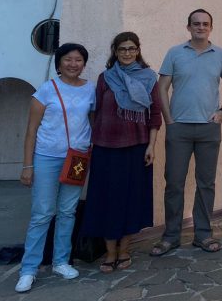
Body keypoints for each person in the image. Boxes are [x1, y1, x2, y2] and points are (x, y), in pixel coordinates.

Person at [150, 9, 222, 256]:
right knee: (174, 183)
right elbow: (162, 87)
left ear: (211, 28)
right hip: (179, 128)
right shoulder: (174, 53)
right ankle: (171, 237)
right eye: (196, 24)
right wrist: (169, 120)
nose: (201, 27)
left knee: (206, 184)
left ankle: (203, 235)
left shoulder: (220, 54)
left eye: (205, 24)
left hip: (209, 128)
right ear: (188, 27)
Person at [16, 43, 95, 293]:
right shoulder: (46, 90)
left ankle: (61, 261)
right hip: (47, 157)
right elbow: (31, 131)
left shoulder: (90, 90)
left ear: (84, 64)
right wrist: (28, 165)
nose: (73, 64)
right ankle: (29, 269)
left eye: (78, 60)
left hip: (77, 159)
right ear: (59, 63)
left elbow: (93, 123)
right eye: (68, 59)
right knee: (42, 213)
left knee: (68, 211)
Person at [82, 32, 163, 272]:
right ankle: (110, 253)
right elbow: (96, 112)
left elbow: (155, 115)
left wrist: (151, 146)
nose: (127, 53)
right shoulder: (105, 78)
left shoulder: (149, 78)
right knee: (106, 200)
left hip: (136, 149)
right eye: (122, 49)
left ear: (138, 50)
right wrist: (97, 137)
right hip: (105, 149)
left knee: (131, 200)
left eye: (131, 48)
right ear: (115, 52)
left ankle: (125, 250)